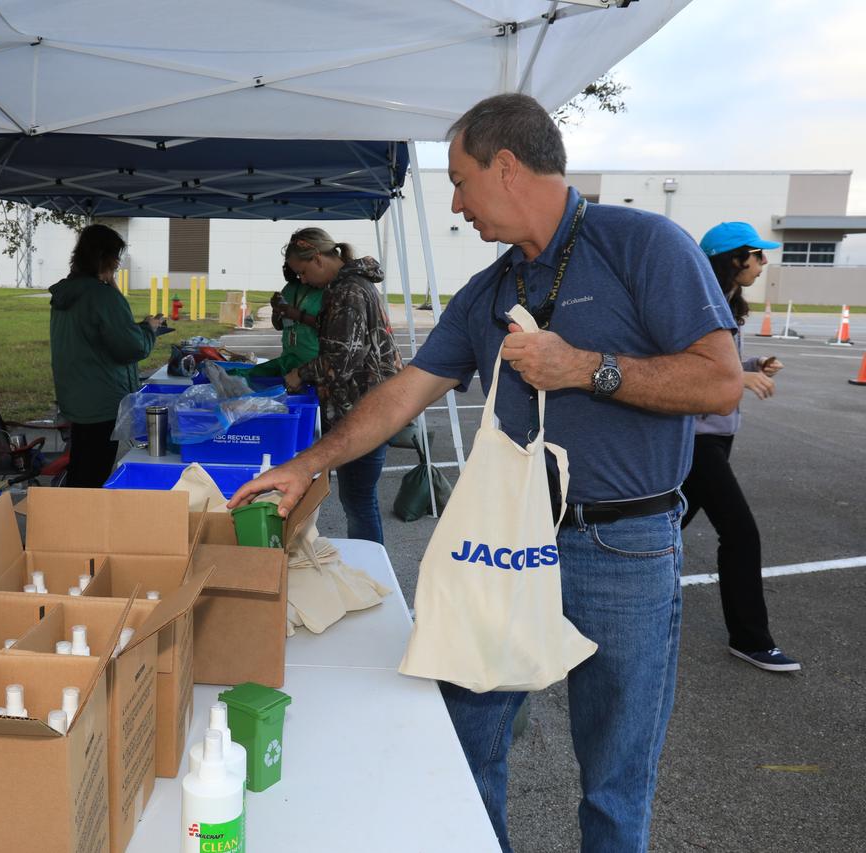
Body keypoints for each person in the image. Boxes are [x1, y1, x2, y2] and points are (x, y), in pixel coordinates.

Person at [230, 93, 743, 852]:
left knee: (614, 779)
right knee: (466, 743)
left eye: (462, 180)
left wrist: (583, 369)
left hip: (626, 549)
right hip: (508, 545)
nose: (457, 201)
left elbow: (720, 381)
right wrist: (307, 464)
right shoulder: (492, 287)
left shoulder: (647, 245)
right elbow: (404, 392)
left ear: (507, 166)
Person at [684, 222, 799, 672]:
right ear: (735, 258)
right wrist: (738, 377)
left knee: (665, 528)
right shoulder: (699, 303)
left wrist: (752, 365)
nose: (764, 262)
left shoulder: (728, 303)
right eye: (758, 254)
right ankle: (751, 639)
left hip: (716, 435)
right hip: (696, 439)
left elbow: (719, 362)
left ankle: (584, 600)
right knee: (740, 534)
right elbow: (682, 369)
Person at [280, 228, 401, 545]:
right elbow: (338, 335)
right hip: (367, 407)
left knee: (359, 502)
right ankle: (369, 566)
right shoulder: (350, 286)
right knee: (359, 500)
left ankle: (372, 571)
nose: (303, 281)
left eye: (303, 272)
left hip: (364, 411)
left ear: (318, 259)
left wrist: (301, 373)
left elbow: (342, 359)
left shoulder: (347, 291)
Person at [49, 224, 161, 487]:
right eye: (116, 259)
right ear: (106, 258)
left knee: (80, 469)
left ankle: (68, 520)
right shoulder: (102, 296)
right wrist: (149, 328)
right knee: (93, 476)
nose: (118, 264)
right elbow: (132, 347)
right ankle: (82, 525)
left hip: (75, 398)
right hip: (102, 403)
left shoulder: (66, 294)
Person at [245, 261, 323, 378]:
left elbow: (330, 326)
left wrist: (297, 315)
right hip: (289, 359)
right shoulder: (290, 288)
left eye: (302, 272)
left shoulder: (326, 291)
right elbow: (278, 325)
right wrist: (276, 309)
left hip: (313, 364)